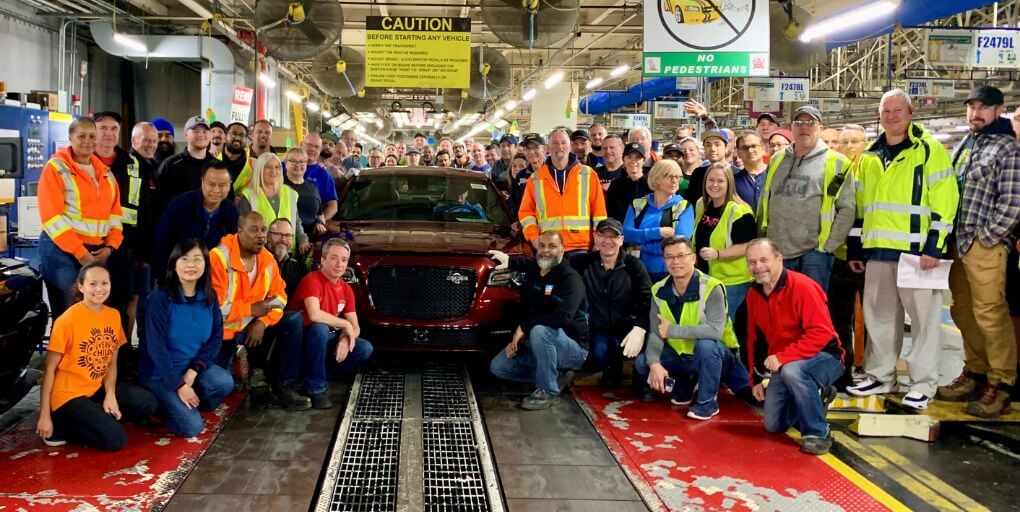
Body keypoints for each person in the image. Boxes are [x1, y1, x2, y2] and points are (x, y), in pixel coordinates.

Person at [845, 89, 959, 410]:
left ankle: (923, 383)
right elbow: (861, 205)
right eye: (886, 111)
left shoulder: (929, 150)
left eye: (898, 110)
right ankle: (881, 375)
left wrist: (936, 246)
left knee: (924, 322)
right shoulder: (869, 156)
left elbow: (945, 199)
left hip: (919, 252)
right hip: (879, 251)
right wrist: (857, 247)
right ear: (879, 116)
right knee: (879, 317)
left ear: (911, 113)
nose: (891, 117)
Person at [939, 85, 1020, 417]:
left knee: (990, 313)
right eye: (971, 107)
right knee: (963, 311)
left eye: (983, 107)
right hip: (958, 243)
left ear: (998, 110)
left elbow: (1013, 202)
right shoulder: (967, 143)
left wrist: (986, 238)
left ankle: (1001, 382)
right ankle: (975, 372)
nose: (975, 113)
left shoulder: (1007, 147)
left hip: (983, 244)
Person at [36, 262, 157, 450]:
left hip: (95, 389)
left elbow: (111, 362)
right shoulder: (67, 321)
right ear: (81, 286)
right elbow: (49, 370)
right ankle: (60, 426)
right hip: (67, 395)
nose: (99, 289)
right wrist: (44, 415)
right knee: (117, 440)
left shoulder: (113, 315)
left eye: (104, 283)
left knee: (147, 403)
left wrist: (110, 395)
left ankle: (96, 416)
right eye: (92, 284)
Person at [744, 238, 844, 455]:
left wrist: (783, 358)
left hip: (825, 356)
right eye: (752, 262)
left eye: (764, 259)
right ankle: (816, 397)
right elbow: (754, 339)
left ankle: (818, 433)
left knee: (793, 371)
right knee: (773, 424)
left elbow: (821, 333)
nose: (758, 266)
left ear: (779, 259)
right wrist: (755, 380)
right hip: (786, 361)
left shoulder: (803, 286)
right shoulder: (754, 294)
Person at [634, 236, 750, 418]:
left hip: (717, 355)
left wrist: (672, 330)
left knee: (706, 345)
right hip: (682, 357)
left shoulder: (712, 287)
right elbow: (657, 333)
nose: (675, 262)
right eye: (669, 257)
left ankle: (707, 404)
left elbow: (715, 331)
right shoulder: (658, 289)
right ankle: (685, 383)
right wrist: (654, 363)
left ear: (693, 258)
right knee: (643, 363)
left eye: (681, 255)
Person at [140, 240, 235, 438]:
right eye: (184, 259)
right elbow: (156, 349)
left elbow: (216, 338)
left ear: (205, 265)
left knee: (224, 382)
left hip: (189, 368)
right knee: (192, 427)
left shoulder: (209, 296)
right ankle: (160, 407)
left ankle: (186, 402)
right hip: (161, 374)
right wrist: (179, 386)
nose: (191, 265)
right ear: (174, 264)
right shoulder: (160, 298)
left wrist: (193, 372)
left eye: (197, 259)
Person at [757, 106, 855, 291]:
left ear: (820, 127)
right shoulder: (777, 159)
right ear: (791, 127)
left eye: (810, 122)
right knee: (779, 307)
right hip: (776, 251)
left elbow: (847, 208)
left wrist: (828, 246)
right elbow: (765, 199)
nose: (804, 127)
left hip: (814, 254)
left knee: (811, 309)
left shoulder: (838, 163)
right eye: (799, 122)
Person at [488, 231, 589, 410]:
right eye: (541, 246)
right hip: (540, 343)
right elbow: (525, 264)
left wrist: (524, 327)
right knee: (499, 367)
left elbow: (564, 318)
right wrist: (509, 260)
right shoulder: (535, 270)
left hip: (573, 348)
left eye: (552, 246)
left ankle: (547, 389)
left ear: (562, 251)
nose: (546, 251)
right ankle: (556, 376)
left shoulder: (570, 279)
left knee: (540, 330)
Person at [39, 117, 124, 317]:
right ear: (70, 137)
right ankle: (66, 349)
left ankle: (86, 349)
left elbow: (115, 215)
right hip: (62, 251)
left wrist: (111, 246)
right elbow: (52, 218)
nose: (88, 141)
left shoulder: (105, 174)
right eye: (81, 136)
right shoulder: (57, 168)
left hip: (96, 251)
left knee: (94, 308)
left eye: (92, 136)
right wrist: (79, 252)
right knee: (70, 308)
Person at [287, 238, 374, 409]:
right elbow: (314, 314)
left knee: (364, 347)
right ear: (323, 260)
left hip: (327, 339)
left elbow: (355, 327)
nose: (339, 264)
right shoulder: (312, 280)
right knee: (319, 328)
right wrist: (345, 325)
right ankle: (315, 388)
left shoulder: (346, 289)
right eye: (334, 258)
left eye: (344, 260)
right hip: (304, 339)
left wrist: (344, 338)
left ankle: (314, 375)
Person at [569, 219, 651, 386]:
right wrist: (513, 262)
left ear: (621, 240)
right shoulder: (582, 263)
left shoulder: (634, 266)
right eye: (602, 235)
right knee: (599, 354)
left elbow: (647, 299)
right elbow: (551, 265)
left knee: (637, 353)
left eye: (613, 236)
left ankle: (636, 374)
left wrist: (640, 328)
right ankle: (609, 364)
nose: (608, 241)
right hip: (598, 328)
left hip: (628, 328)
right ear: (595, 237)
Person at [93, 112, 150, 341]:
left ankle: (120, 357)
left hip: (123, 248)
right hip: (88, 246)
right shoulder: (83, 161)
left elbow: (142, 209)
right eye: (103, 128)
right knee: (90, 301)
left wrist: (141, 251)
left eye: (114, 128)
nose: (109, 133)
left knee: (121, 302)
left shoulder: (132, 164)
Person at [208, 212, 288, 372]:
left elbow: (280, 298)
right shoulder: (219, 258)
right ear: (239, 231)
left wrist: (262, 322)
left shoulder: (268, 259)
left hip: (253, 325)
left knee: (293, 321)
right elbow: (215, 309)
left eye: (263, 230)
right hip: (223, 331)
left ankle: (282, 384)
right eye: (253, 230)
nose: (261, 236)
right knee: (224, 385)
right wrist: (250, 310)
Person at [828, 124, 870, 389]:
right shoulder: (836, 173)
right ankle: (843, 371)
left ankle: (872, 370)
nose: (850, 146)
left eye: (856, 141)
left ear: (866, 143)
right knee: (839, 318)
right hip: (838, 257)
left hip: (869, 255)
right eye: (844, 142)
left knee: (874, 318)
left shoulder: (873, 171)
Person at [518, 128, 607, 253]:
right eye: (555, 143)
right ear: (548, 148)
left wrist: (599, 240)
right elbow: (526, 213)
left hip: (581, 246)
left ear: (570, 146)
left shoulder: (588, 174)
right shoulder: (535, 179)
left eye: (564, 143)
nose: (560, 146)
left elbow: (599, 212)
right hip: (549, 248)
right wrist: (534, 237)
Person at [153, 161, 239, 284]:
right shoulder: (180, 204)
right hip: (176, 278)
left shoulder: (232, 212)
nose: (216, 190)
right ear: (202, 181)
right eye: (211, 184)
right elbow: (161, 243)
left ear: (230, 185)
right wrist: (167, 278)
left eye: (222, 185)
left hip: (212, 281)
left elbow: (232, 252)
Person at [694, 162, 756, 320]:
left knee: (724, 330)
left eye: (720, 181)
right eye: (711, 180)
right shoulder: (702, 204)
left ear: (729, 183)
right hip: (706, 278)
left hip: (732, 282)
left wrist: (718, 254)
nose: (714, 185)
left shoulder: (739, 210)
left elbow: (747, 247)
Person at [624, 159, 694, 281]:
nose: (674, 181)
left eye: (677, 177)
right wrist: (658, 232)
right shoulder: (637, 204)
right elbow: (626, 234)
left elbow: (679, 245)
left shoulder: (684, 207)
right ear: (656, 179)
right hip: (636, 271)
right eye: (669, 176)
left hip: (669, 273)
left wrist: (642, 246)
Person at [127, 121, 161, 344]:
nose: (151, 145)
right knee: (131, 301)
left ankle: (139, 349)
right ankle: (125, 350)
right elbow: (131, 213)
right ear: (133, 141)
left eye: (154, 141)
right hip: (130, 249)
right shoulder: (129, 167)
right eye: (146, 140)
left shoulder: (151, 167)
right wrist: (137, 252)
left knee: (142, 299)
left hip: (145, 249)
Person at [238, 153, 310, 254]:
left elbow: (296, 221)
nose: (274, 171)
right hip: (260, 253)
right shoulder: (248, 195)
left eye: (277, 167)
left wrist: (303, 239)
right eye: (268, 167)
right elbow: (243, 229)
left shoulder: (290, 193)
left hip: (287, 253)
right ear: (260, 169)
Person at [155, 116, 215, 220]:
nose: (200, 134)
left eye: (205, 131)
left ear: (210, 136)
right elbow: (160, 203)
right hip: (179, 229)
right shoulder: (170, 165)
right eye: (195, 131)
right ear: (186, 134)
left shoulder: (218, 166)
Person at [682, 130, 740, 203]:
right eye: (708, 145)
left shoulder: (737, 174)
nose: (712, 149)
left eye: (717, 144)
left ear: (726, 147)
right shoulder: (698, 173)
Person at [282, 147, 324, 239]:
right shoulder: (279, 186)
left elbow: (320, 214)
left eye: (302, 161)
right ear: (286, 163)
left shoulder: (313, 189)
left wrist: (319, 223)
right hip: (286, 239)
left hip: (310, 241)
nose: (298, 165)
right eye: (293, 161)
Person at [298, 134, 340, 225]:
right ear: (301, 144)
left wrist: (321, 221)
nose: (313, 149)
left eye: (317, 147)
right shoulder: (283, 167)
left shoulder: (323, 174)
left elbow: (333, 206)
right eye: (309, 145)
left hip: (309, 229)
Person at [606, 142, 651, 222]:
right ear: (623, 159)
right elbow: (611, 213)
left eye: (638, 157)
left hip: (646, 231)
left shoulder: (652, 184)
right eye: (629, 157)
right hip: (622, 232)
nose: (633, 161)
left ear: (644, 160)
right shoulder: (616, 185)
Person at [267, 218, 307, 297]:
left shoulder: (296, 266)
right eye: (278, 234)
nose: (283, 239)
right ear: (268, 236)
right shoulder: (257, 262)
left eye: (288, 235)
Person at [733, 131, 769, 211]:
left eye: (754, 146)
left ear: (763, 149)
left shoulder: (774, 175)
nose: (750, 151)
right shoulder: (733, 181)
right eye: (744, 148)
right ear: (738, 153)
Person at [222, 122, 252, 192]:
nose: (237, 138)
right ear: (225, 136)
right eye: (233, 134)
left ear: (246, 139)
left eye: (242, 135)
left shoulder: (253, 163)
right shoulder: (213, 159)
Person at [507, 152, 533, 220]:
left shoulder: (526, 185)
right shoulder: (509, 187)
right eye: (514, 166)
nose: (517, 169)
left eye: (521, 166)